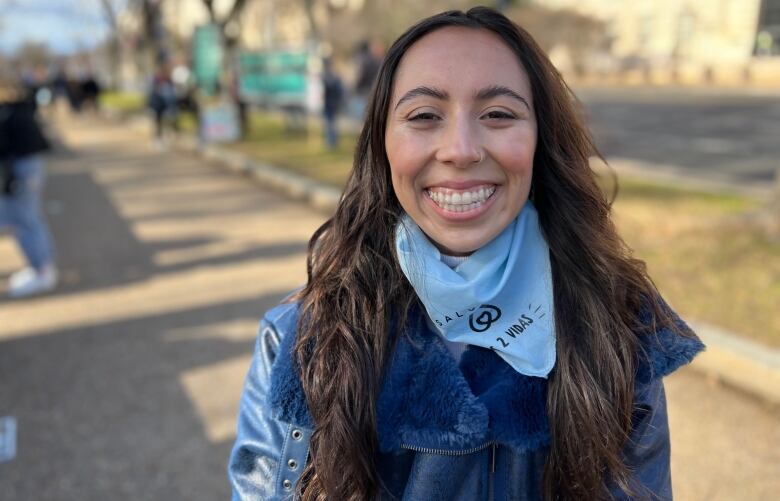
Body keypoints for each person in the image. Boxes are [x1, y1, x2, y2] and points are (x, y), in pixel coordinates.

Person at [229, 7, 704, 500]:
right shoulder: (303, 339)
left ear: (540, 137)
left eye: (498, 114)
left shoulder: (620, 328)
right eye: (424, 116)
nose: (460, 149)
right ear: (382, 144)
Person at [0, 78, 57, 298]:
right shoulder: (20, 108)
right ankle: (42, 267)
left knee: (24, 220)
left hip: (22, 169)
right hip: (30, 165)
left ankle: (42, 270)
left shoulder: (7, 113)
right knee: (29, 218)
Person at [321, 58, 344, 150]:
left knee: (330, 123)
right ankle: (331, 141)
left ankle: (332, 141)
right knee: (330, 122)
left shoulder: (329, 76)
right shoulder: (332, 76)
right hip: (331, 102)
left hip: (330, 102)